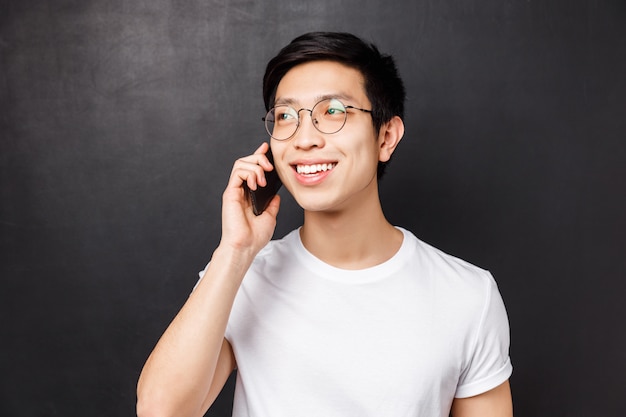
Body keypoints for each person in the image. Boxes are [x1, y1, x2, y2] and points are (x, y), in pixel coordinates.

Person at [136, 32, 513, 417]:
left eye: (333, 111)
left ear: (386, 136)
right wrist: (235, 252)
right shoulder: (242, 277)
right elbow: (161, 411)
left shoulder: (468, 296)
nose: (304, 139)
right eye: (285, 116)